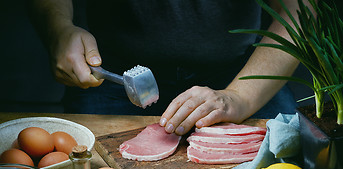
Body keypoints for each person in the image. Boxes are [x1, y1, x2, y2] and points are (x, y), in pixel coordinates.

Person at [28, 0, 310, 135]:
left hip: (243, 74)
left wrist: (240, 96)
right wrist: (58, 27)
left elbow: (300, 9)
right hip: (111, 74)